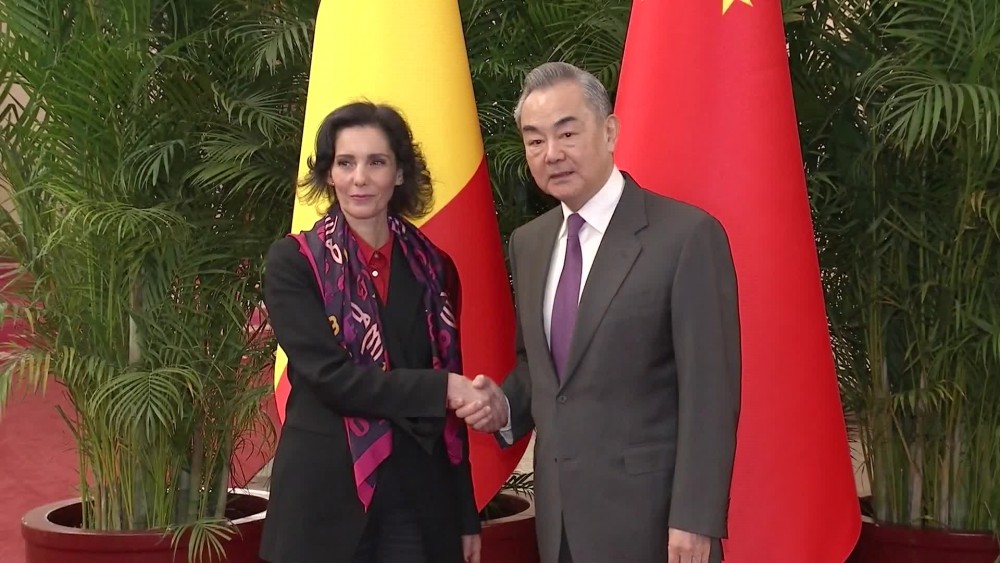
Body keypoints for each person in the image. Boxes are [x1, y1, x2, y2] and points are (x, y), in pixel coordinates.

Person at [455, 62, 742, 563]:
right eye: (535, 140)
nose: (552, 153)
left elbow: (710, 393)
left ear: (609, 132)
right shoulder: (529, 243)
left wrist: (695, 518)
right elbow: (541, 369)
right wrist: (503, 406)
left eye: (567, 133)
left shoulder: (685, 236)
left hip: (654, 523)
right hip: (560, 524)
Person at [259, 101, 486, 563]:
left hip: (417, 504)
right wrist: (441, 389)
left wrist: (465, 514)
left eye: (376, 162)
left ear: (399, 173)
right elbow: (331, 380)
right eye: (346, 163)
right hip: (322, 505)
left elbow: (451, 420)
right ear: (329, 174)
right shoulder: (294, 263)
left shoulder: (435, 269)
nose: (359, 178)